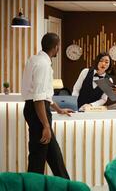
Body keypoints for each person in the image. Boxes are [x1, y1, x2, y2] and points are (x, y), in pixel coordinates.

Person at [21, 33, 72, 179]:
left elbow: (44, 96)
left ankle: (66, 185)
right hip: (38, 111)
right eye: (58, 46)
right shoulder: (43, 64)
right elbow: (38, 98)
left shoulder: (34, 59)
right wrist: (46, 126)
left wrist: (58, 109)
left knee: (54, 154)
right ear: (56, 47)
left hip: (35, 108)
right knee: (38, 157)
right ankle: (31, 187)